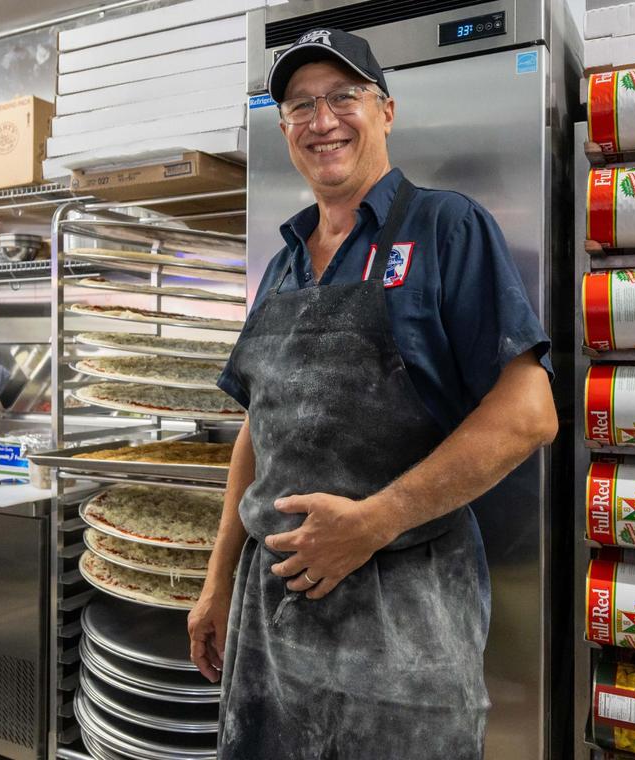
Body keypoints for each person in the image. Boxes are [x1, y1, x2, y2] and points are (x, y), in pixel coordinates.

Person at [186, 27, 558, 759]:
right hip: (270, 629)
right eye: (299, 105)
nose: (321, 121)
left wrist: (375, 520)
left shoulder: (447, 226)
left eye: (342, 97)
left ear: (385, 110)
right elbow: (260, 431)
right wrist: (216, 578)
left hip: (401, 627)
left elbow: (528, 413)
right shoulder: (284, 263)